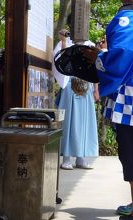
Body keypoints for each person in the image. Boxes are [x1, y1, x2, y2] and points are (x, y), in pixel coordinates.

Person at [82, 1, 133, 218]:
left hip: (129, 100)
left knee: (130, 152)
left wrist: (99, 57)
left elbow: (123, 52)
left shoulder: (126, 19)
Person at [53, 29, 99, 170]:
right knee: (68, 122)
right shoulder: (65, 43)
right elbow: (59, 62)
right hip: (69, 86)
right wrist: (64, 41)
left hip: (87, 87)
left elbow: (96, 68)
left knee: (85, 123)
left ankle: (81, 158)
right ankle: (66, 158)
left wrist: (96, 89)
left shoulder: (90, 45)